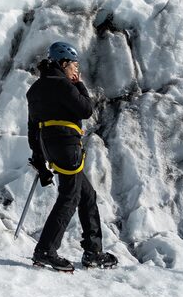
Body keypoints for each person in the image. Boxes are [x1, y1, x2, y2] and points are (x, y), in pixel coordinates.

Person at [26, 41, 117, 271]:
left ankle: (93, 251)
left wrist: (40, 162)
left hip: (50, 144)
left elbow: (33, 128)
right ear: (63, 63)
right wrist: (80, 85)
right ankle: (46, 249)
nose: (76, 69)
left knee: (86, 194)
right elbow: (86, 109)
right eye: (74, 64)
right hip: (67, 143)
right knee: (70, 196)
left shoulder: (35, 89)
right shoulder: (64, 85)